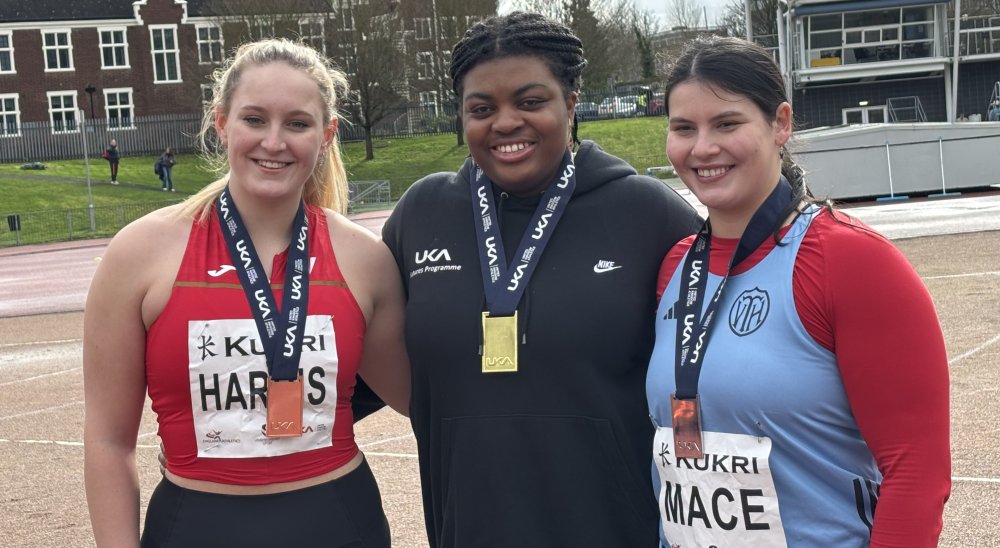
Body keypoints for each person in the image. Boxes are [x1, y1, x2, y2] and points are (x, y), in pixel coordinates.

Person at [380, 12, 702, 548]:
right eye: (482, 109)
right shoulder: (422, 215)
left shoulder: (646, 214)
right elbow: (349, 355)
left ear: (571, 103)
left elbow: (717, 361)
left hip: (614, 531)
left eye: (530, 102)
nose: (505, 123)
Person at [83, 38, 409, 548]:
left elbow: (423, 399)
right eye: (254, 119)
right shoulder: (139, 254)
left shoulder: (365, 259)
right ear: (221, 123)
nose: (273, 142)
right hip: (194, 528)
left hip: (340, 524)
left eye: (297, 124)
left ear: (326, 135)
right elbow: (107, 440)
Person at [647, 36, 950, 547]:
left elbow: (917, 471)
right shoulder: (675, 267)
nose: (702, 148)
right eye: (684, 129)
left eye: (727, 123)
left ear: (780, 123)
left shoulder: (850, 261)